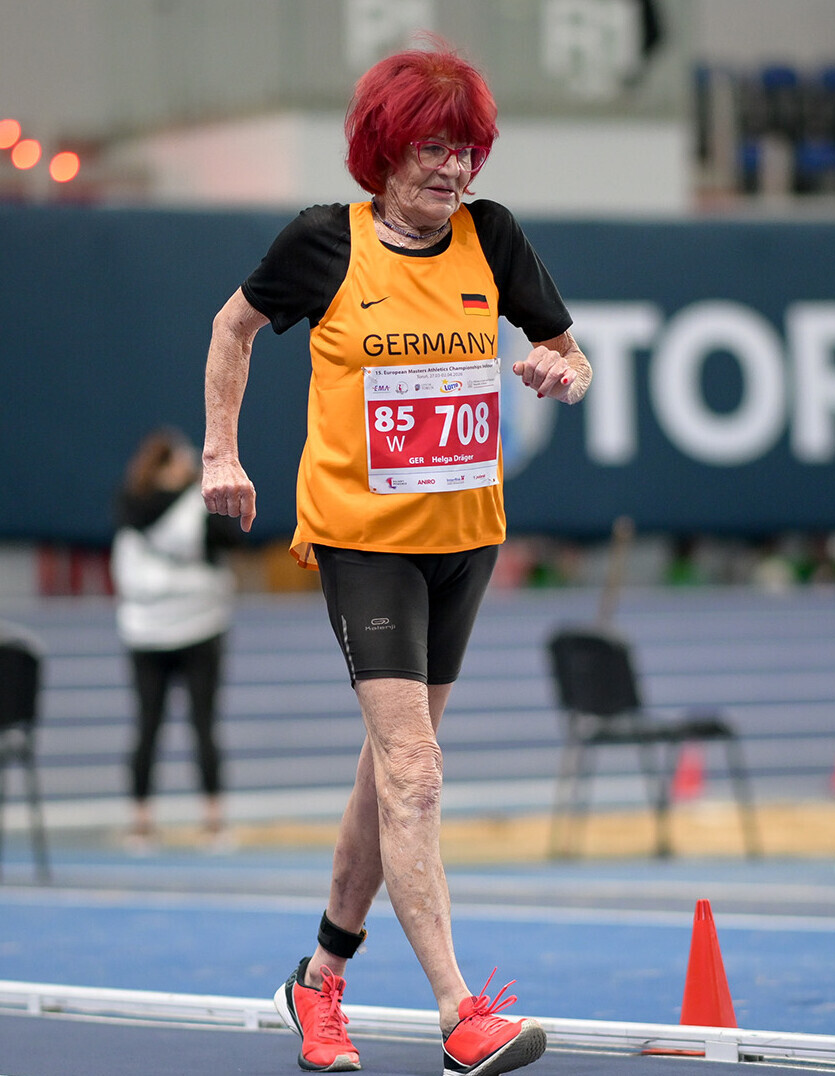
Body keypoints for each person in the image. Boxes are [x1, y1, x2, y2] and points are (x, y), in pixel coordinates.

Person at [199, 37, 590, 1076]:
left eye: (465, 150)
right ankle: (460, 1011)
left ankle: (319, 976)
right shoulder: (323, 245)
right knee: (415, 771)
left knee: (390, 770)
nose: (452, 169)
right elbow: (232, 329)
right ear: (380, 149)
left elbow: (570, 349)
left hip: (463, 542)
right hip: (362, 543)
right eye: (430, 148)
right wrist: (220, 452)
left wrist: (560, 369)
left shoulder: (490, 238)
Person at [111, 428, 239, 852]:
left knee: (148, 726)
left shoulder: (126, 507)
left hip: (144, 629)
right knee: (203, 726)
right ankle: (214, 822)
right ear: (169, 466)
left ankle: (140, 823)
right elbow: (231, 543)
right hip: (199, 626)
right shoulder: (198, 508)